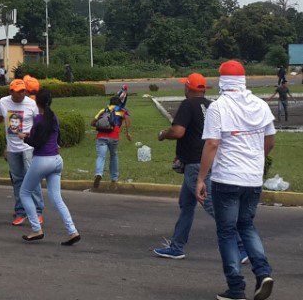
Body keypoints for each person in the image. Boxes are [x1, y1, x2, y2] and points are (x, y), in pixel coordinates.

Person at [196, 60, 275, 300]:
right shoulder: (260, 105)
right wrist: (255, 161)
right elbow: (270, 140)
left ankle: (236, 288)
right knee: (247, 226)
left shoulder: (218, 107)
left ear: (222, 81)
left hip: (227, 178)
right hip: (252, 179)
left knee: (227, 232)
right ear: (243, 80)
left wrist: (201, 178)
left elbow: (212, 143)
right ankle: (263, 273)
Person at [153, 73, 248, 263]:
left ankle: (241, 247)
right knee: (186, 205)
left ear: (188, 88)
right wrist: (182, 154)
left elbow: (178, 131)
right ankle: (176, 247)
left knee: (213, 206)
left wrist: (163, 134)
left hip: (196, 166)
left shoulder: (187, 104)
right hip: (208, 160)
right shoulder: (212, 105)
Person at [19, 89, 80, 245]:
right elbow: (55, 137)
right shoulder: (53, 117)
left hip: (42, 160)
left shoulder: (38, 119)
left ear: (37, 102)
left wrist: (24, 137)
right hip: (57, 160)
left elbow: (36, 142)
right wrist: (31, 137)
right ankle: (72, 231)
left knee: (24, 193)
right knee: (57, 198)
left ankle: (36, 229)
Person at [0, 79, 43, 225]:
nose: (21, 94)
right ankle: (21, 212)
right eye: (18, 91)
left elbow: (39, 123)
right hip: (12, 149)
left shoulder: (31, 103)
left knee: (32, 178)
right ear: (11, 91)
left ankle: (38, 212)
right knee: (17, 180)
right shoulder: (3, 102)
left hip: (28, 148)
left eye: (23, 91)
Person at [91, 96, 132, 189]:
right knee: (113, 155)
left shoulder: (103, 110)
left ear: (110, 103)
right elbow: (128, 122)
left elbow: (92, 123)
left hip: (101, 136)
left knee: (101, 156)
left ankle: (98, 174)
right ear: (119, 104)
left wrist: (100, 124)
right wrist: (127, 133)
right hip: (114, 137)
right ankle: (114, 178)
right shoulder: (121, 111)